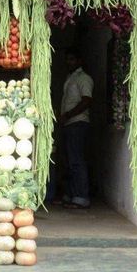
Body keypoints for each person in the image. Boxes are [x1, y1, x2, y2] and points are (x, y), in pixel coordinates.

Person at [59, 48, 93, 209]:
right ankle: (70, 195)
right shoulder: (70, 78)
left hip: (78, 123)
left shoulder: (84, 79)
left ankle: (81, 197)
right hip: (69, 124)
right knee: (69, 161)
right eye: (67, 59)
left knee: (77, 161)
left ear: (79, 61)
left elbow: (86, 100)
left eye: (72, 59)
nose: (68, 62)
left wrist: (69, 114)